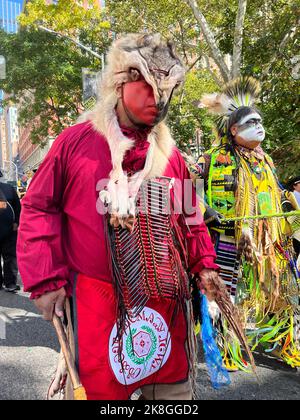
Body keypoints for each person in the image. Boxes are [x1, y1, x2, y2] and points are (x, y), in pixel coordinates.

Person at [17, 34, 221, 400]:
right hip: (98, 303)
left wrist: (204, 265)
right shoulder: (74, 143)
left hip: (165, 305)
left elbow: (191, 215)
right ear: (120, 82)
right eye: (145, 85)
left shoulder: (172, 158)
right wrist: (45, 280)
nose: (158, 100)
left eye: (167, 89)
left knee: (174, 394)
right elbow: (39, 207)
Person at [191, 77, 300, 370]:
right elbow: (188, 191)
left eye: (261, 120)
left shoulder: (265, 161)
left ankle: (285, 345)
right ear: (234, 129)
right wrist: (206, 210)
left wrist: (291, 214)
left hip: (269, 241)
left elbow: (278, 194)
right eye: (252, 122)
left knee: (282, 293)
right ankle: (232, 348)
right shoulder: (213, 158)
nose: (260, 125)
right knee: (229, 295)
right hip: (227, 238)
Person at [0, 171, 21, 292]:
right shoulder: (8, 189)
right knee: (10, 258)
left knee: (10, 257)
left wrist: (16, 222)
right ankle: (9, 284)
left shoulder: (8, 189)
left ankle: (10, 283)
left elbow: (18, 207)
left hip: (9, 229)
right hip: (9, 229)